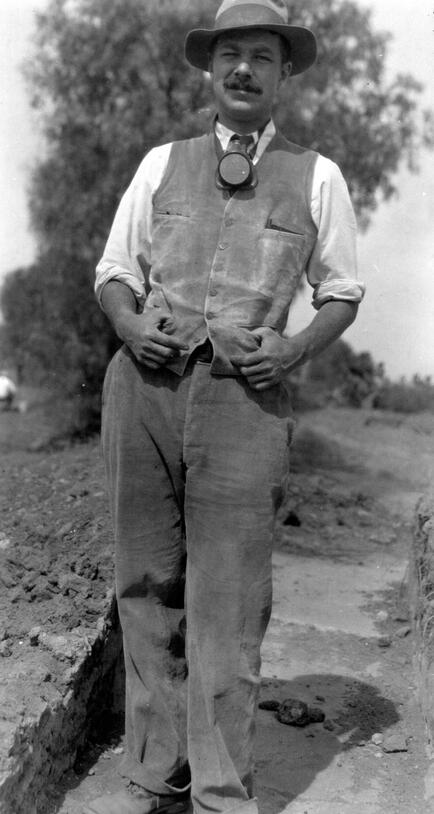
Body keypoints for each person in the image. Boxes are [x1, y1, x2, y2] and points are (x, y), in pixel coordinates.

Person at [85, 1, 364, 813]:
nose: (244, 70)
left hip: (247, 405)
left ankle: (220, 793)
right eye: (231, 55)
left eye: (262, 59)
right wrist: (130, 324)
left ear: (283, 77)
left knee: (230, 600)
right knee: (145, 583)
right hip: (145, 390)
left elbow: (342, 293)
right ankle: (152, 773)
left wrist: (295, 348)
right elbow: (113, 270)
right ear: (211, 70)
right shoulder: (160, 162)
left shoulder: (318, 175)